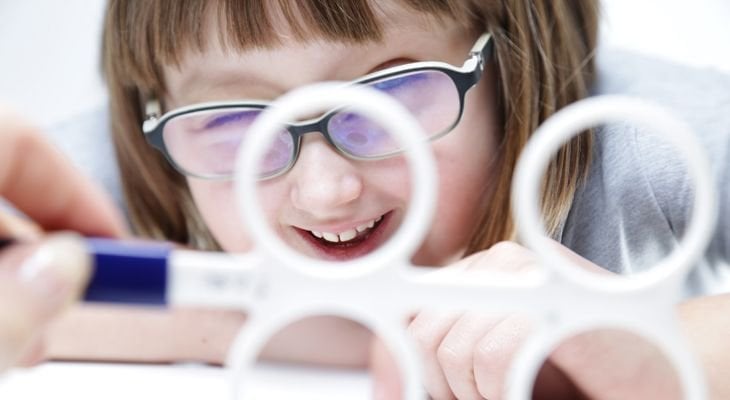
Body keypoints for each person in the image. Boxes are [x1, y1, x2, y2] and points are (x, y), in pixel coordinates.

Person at [1, 0, 729, 399]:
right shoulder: (149, 151)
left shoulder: (646, 136)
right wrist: (241, 317)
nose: (326, 191)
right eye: (236, 122)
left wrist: (647, 356)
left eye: (392, 92)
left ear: (510, 61)